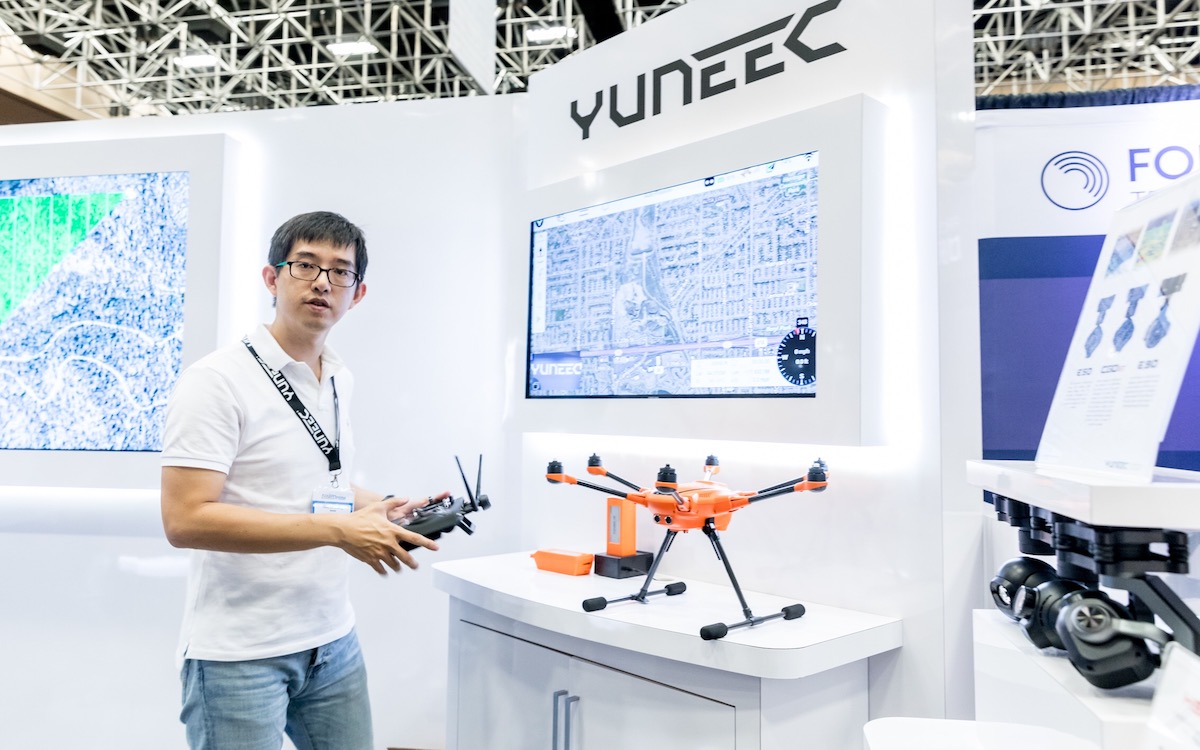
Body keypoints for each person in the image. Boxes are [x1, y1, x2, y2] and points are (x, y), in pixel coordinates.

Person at [160, 210, 442, 750]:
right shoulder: (214, 381)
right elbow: (185, 519)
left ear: (357, 294)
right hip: (239, 656)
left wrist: (384, 507)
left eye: (341, 271)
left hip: (332, 641)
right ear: (272, 278)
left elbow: (315, 484)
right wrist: (338, 531)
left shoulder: (338, 376)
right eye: (305, 265)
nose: (322, 282)